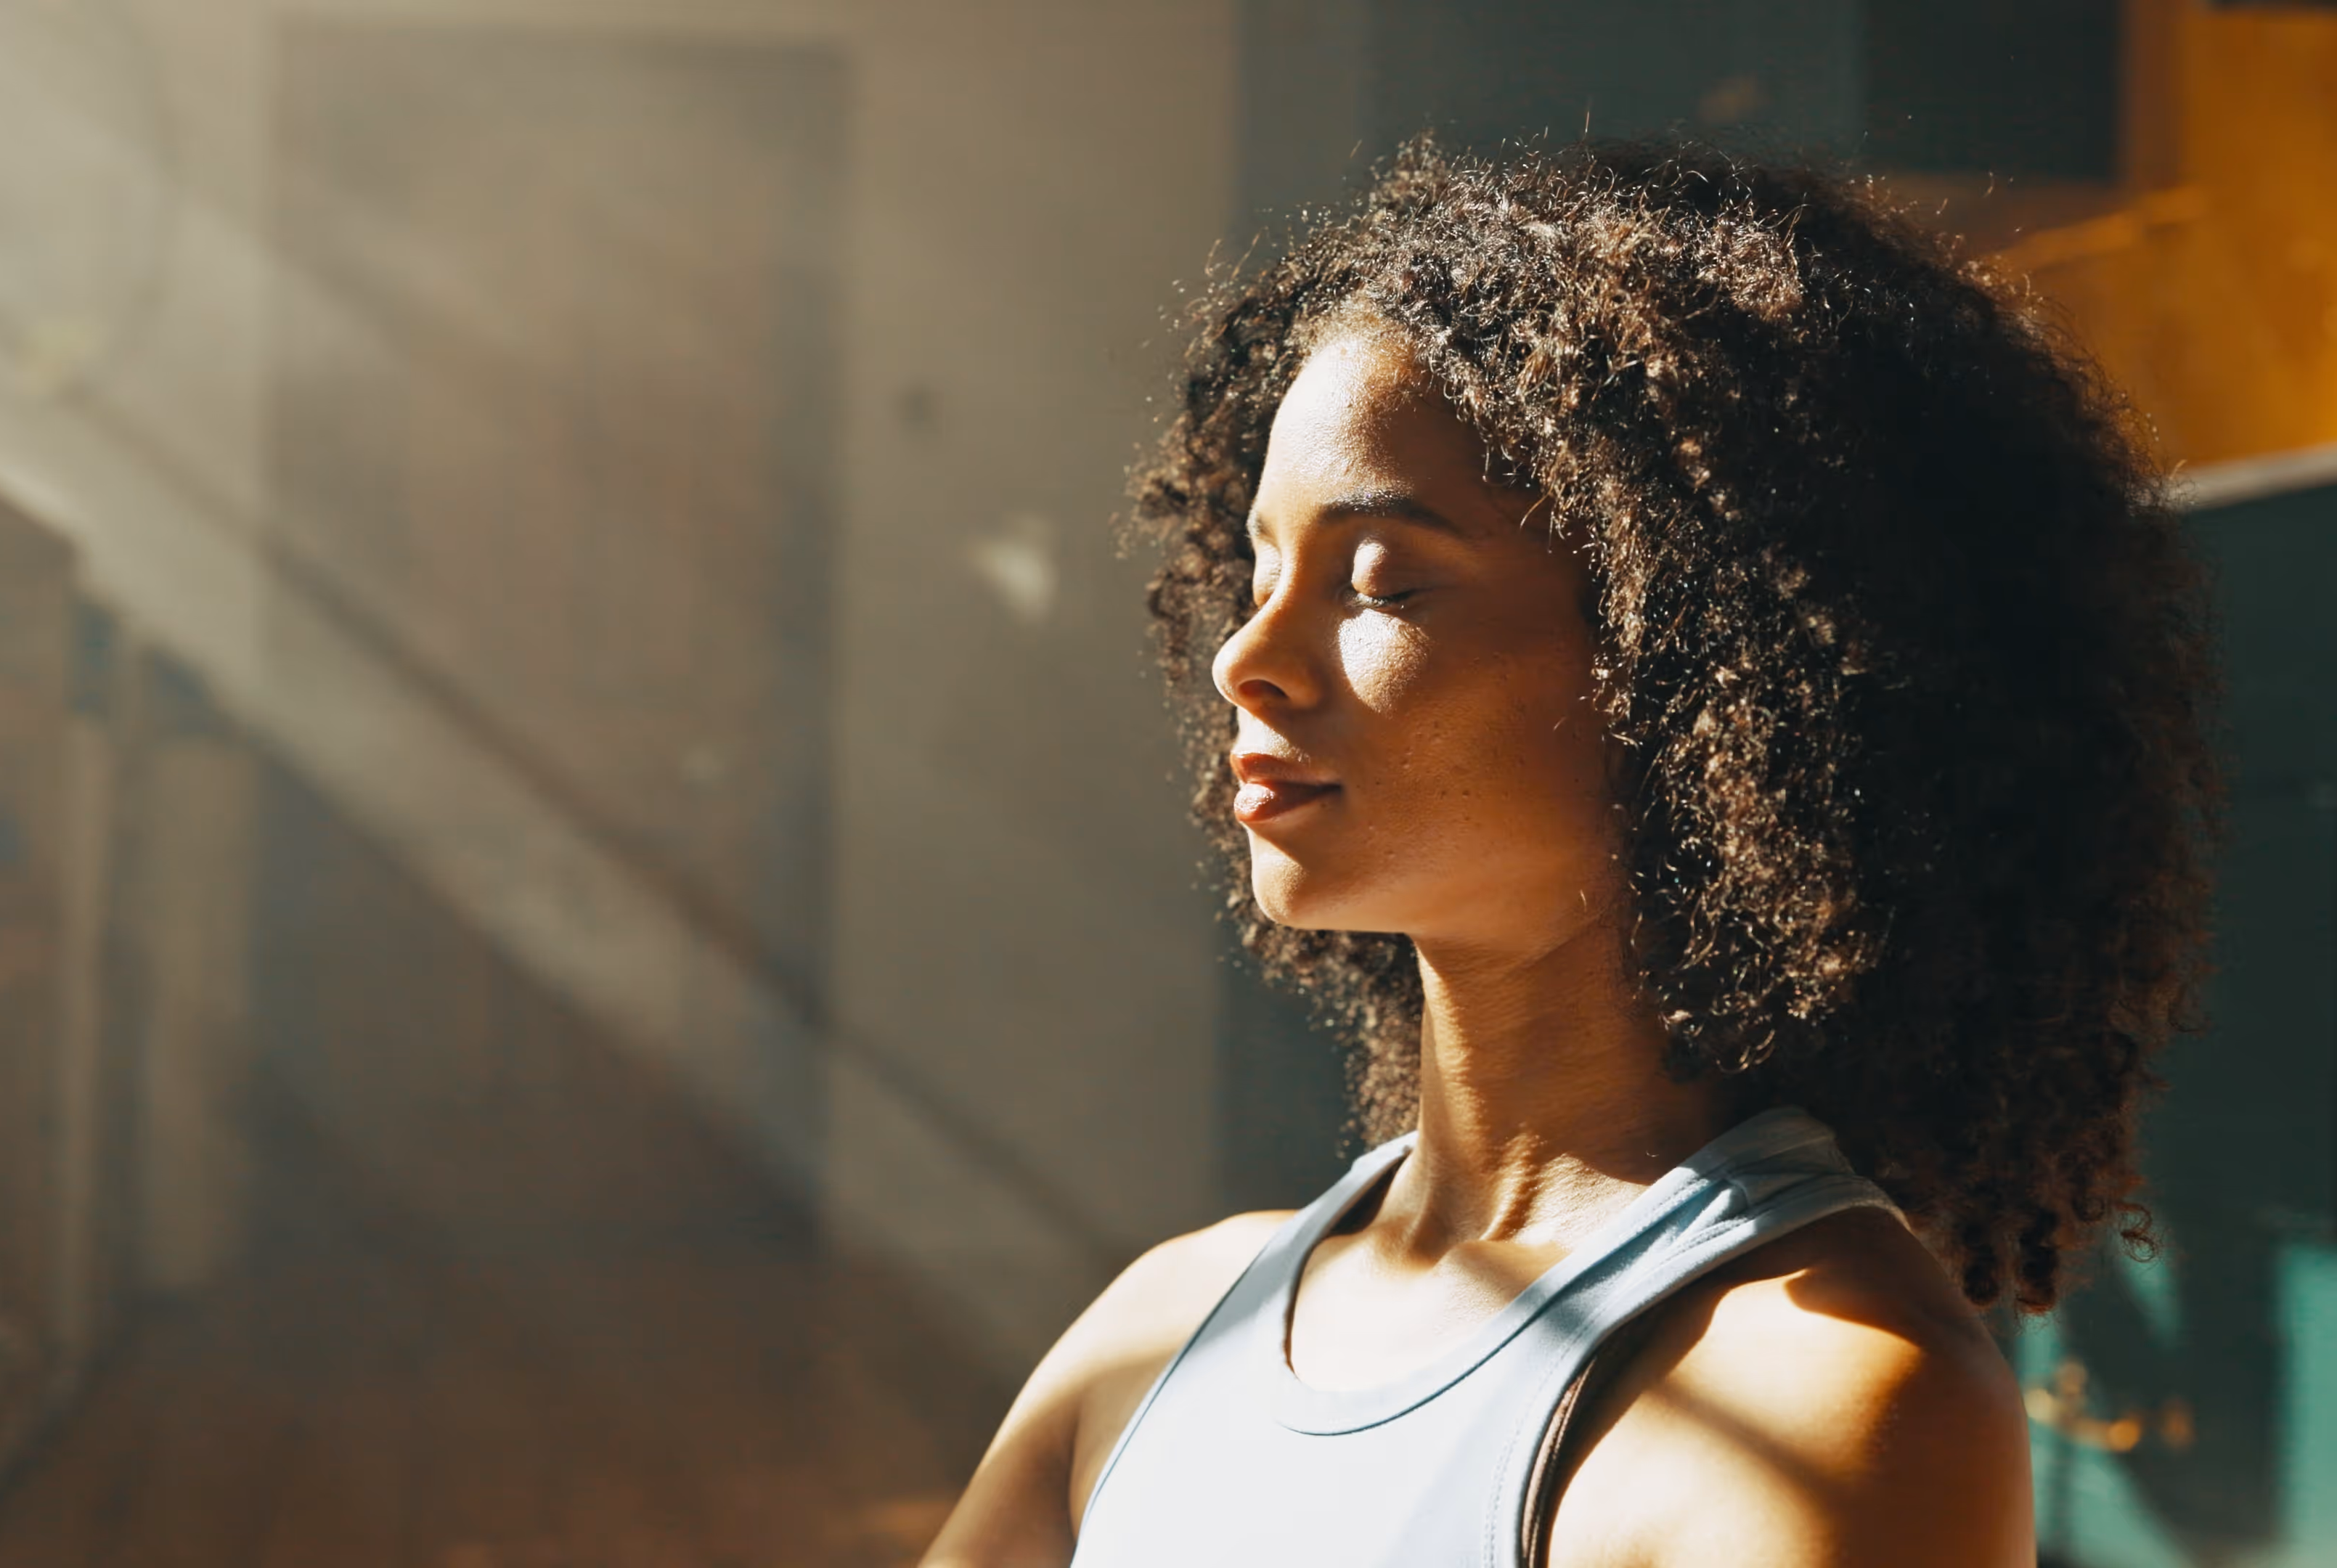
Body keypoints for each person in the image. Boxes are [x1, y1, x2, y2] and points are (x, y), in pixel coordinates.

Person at [922, 139, 2217, 1568]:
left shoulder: (1816, 1405)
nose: (1246, 656)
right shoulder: (1161, 1332)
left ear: (1701, 662)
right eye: (1255, 567)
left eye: (1379, 582)